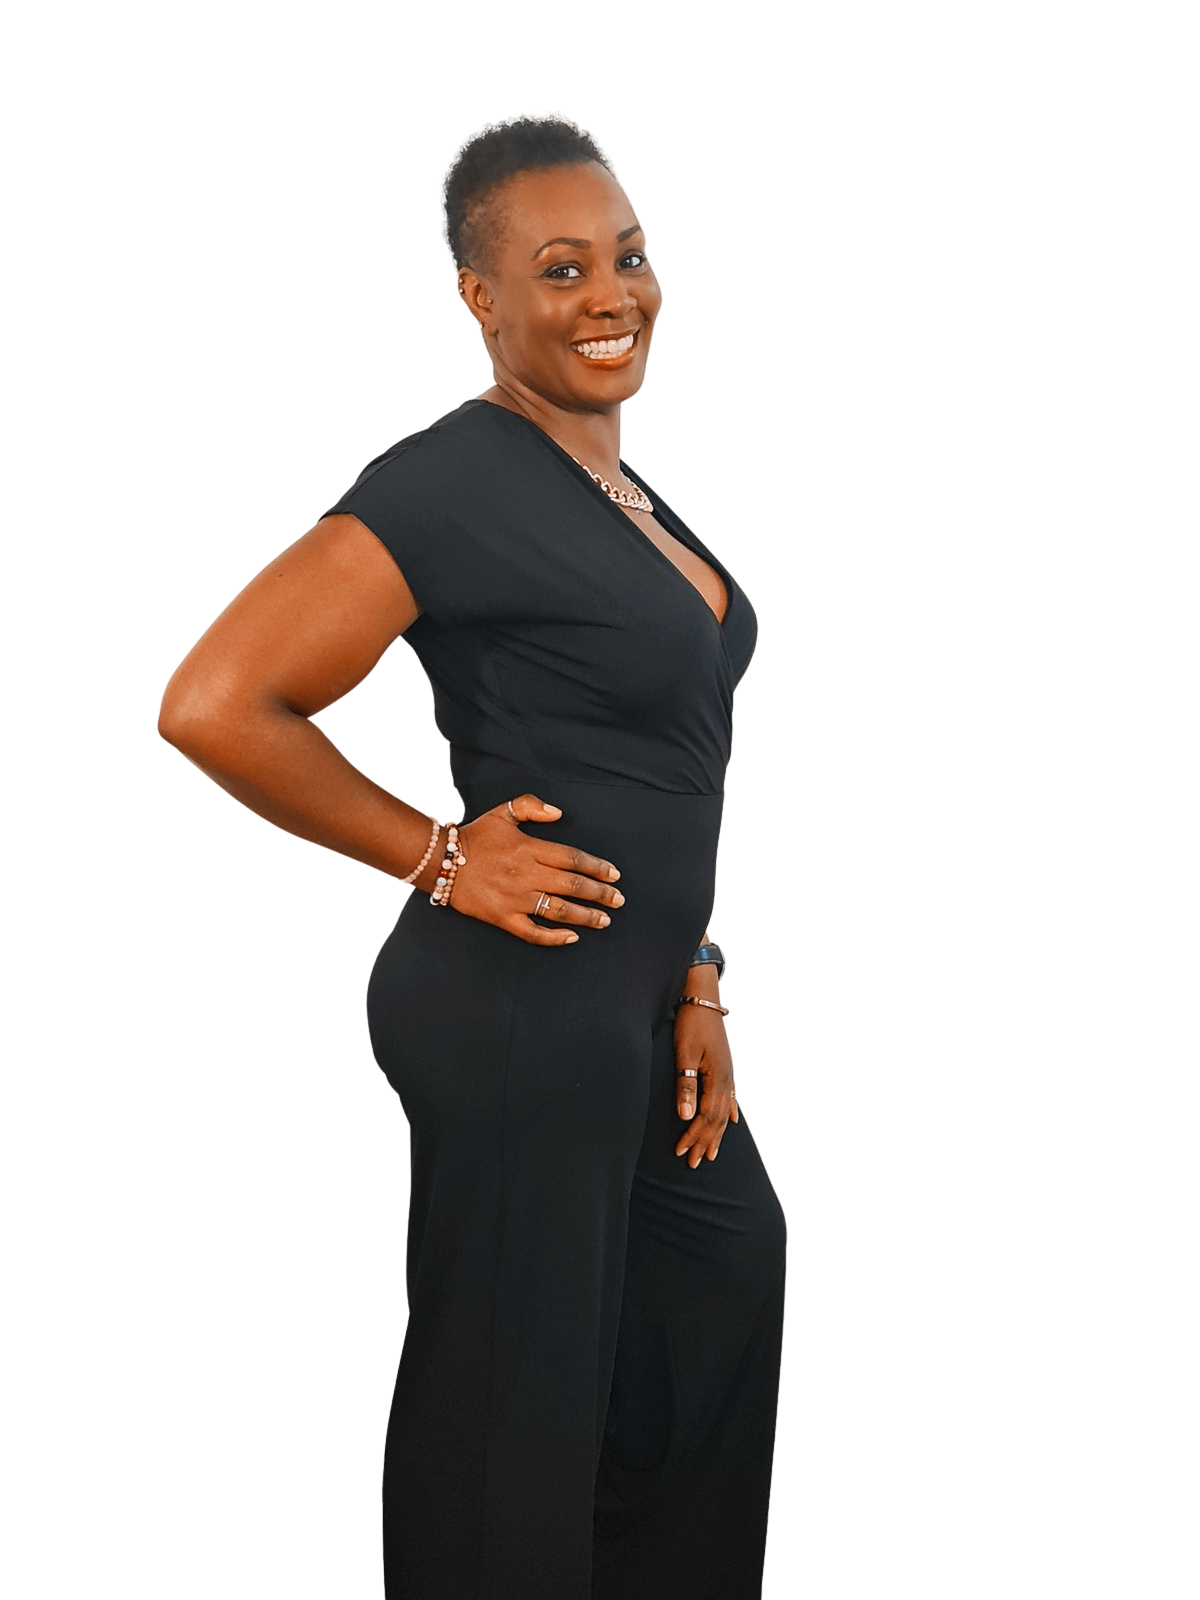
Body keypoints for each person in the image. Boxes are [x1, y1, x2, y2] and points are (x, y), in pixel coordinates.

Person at [158, 112, 785, 1600]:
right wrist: (437, 857)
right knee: (515, 1412)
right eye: (561, 269)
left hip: (635, 1007)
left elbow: (666, 772)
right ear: (479, 295)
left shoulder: (627, 497)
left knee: (723, 1289)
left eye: (629, 257)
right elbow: (213, 703)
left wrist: (697, 976)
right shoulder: (448, 484)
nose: (611, 296)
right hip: (520, 999)